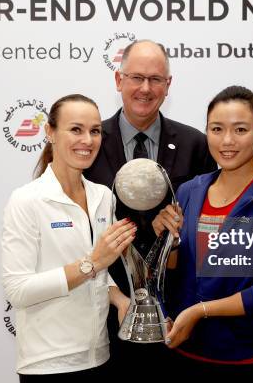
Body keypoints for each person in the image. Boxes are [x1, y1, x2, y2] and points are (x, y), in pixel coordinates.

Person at [83, 40, 217, 370]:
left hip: (177, 322)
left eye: (156, 79)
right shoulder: (89, 143)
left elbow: (210, 228)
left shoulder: (195, 144)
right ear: (119, 81)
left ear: (168, 85)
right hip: (105, 320)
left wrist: (178, 232)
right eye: (136, 78)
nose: (145, 88)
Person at [152, 86, 253, 380]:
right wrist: (168, 243)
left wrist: (199, 311)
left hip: (246, 364)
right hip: (183, 357)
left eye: (241, 129)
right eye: (217, 129)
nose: (227, 141)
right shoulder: (189, 191)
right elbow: (176, 273)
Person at [1, 94, 134, 380]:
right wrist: (91, 263)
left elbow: (101, 271)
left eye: (95, 131)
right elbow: (18, 290)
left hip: (100, 356)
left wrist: (121, 300)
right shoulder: (27, 200)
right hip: (49, 364)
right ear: (50, 132)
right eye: (76, 129)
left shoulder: (103, 196)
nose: (87, 140)